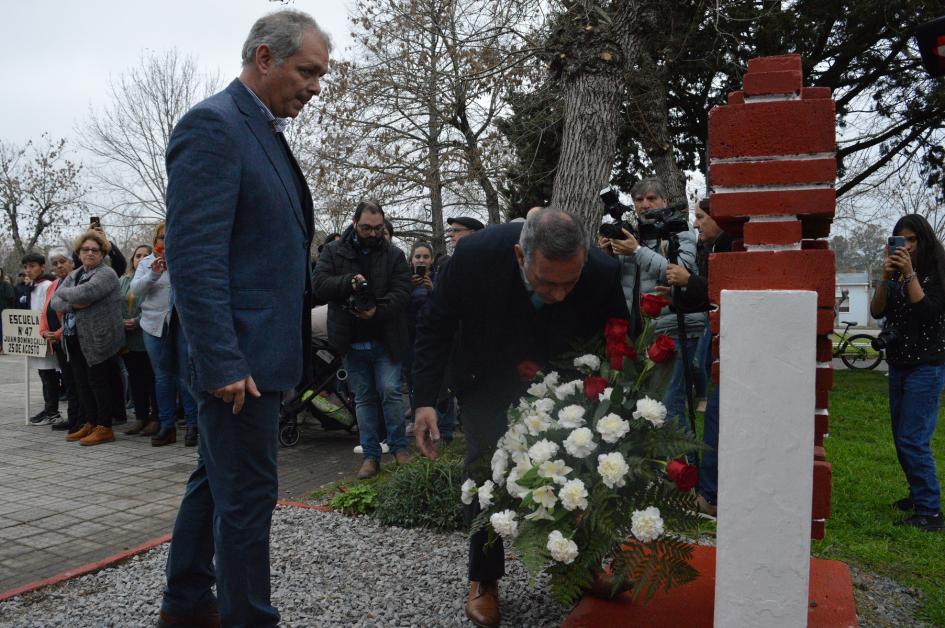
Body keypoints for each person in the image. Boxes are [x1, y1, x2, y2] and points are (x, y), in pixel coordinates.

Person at [159, 10, 328, 627]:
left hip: (261, 354)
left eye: (320, 75)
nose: (315, 87)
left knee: (216, 481)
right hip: (240, 364)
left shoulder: (259, 129)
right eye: (307, 72)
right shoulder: (214, 126)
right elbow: (195, 257)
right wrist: (224, 360)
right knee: (248, 499)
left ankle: (183, 604)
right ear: (264, 58)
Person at [412, 208, 630, 627]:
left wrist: (617, 402)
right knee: (484, 473)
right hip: (486, 376)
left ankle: (580, 567)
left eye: (571, 281)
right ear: (519, 255)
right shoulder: (473, 257)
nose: (561, 294)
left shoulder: (601, 270)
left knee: (578, 469)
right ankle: (484, 579)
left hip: (562, 378)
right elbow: (434, 326)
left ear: (584, 257)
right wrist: (423, 401)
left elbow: (618, 335)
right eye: (547, 282)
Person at [313, 199, 413, 480]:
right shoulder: (333, 251)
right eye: (367, 227)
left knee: (391, 391)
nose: (373, 233)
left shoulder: (394, 255)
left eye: (378, 228)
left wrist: (377, 310)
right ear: (355, 223)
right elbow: (319, 286)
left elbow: (402, 292)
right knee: (364, 398)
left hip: (386, 337)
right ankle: (370, 455)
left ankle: (399, 448)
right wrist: (349, 282)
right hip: (351, 338)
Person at [598, 177, 704, 435]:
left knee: (668, 408)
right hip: (638, 333)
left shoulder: (679, 230)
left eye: (651, 198)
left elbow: (683, 273)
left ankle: (682, 469)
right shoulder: (630, 235)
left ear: (664, 200)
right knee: (642, 409)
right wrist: (606, 255)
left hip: (673, 329)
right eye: (638, 199)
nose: (644, 204)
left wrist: (637, 251)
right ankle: (657, 472)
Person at [869, 214, 945, 532]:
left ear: (923, 241)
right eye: (901, 240)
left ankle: (931, 512)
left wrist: (910, 274)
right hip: (899, 365)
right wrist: (886, 278)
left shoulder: (937, 272)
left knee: (913, 440)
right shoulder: (895, 275)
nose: (906, 246)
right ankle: (917, 496)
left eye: (912, 240)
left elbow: (928, 313)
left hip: (927, 366)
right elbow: (876, 311)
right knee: (902, 439)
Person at [664, 199, 732, 517]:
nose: (697, 224)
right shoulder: (715, 249)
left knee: (715, 416)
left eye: (702, 217)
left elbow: (725, 293)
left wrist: (688, 281)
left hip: (723, 344)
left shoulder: (731, 246)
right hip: (716, 340)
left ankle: (711, 494)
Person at [50, 231, 124, 446]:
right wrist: (75, 302)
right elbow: (55, 301)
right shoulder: (76, 273)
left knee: (98, 382)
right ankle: (90, 422)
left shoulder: (106, 274)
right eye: (85, 249)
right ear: (78, 253)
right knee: (82, 382)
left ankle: (105, 426)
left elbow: (86, 294)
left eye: (95, 250)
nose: (90, 253)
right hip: (74, 337)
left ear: (102, 253)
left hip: (98, 337)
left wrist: (72, 297)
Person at [131, 223, 198, 447]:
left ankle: (193, 425)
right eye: (161, 238)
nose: (165, 242)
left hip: (180, 325)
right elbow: (134, 291)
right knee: (162, 377)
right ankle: (167, 425)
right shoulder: (147, 263)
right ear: (155, 242)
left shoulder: (187, 260)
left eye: (170, 237)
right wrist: (153, 273)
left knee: (184, 375)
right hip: (153, 325)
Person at [403, 241, 456, 443]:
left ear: (431, 260)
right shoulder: (405, 282)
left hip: (436, 340)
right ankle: (421, 426)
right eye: (418, 257)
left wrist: (433, 289)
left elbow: (446, 306)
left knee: (443, 385)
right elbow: (399, 308)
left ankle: (444, 430)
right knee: (414, 383)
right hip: (411, 340)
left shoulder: (440, 279)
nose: (421, 260)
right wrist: (409, 288)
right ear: (411, 260)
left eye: (425, 257)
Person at [39, 248, 82, 432]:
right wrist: (43, 331)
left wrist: (57, 333)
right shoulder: (52, 285)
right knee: (68, 380)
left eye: (62, 261)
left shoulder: (77, 282)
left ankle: (80, 419)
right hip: (58, 343)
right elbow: (44, 311)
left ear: (72, 263)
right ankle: (73, 418)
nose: (59, 266)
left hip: (72, 339)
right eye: (55, 263)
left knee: (77, 381)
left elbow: (74, 314)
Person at [121, 244, 158, 436]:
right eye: (137, 255)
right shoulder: (124, 281)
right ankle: (140, 417)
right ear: (132, 260)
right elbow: (115, 304)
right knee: (136, 381)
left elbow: (155, 304)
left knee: (153, 380)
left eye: (145, 255)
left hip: (148, 335)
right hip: (129, 341)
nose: (141, 259)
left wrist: (137, 321)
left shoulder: (155, 279)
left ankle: (156, 418)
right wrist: (120, 322)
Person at [21, 253, 60, 426]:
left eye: (32, 266)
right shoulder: (32, 286)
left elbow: (50, 311)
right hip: (35, 339)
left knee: (49, 374)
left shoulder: (47, 285)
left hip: (47, 338)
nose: (28, 270)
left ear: (42, 267)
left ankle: (53, 412)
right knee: (43, 374)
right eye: (26, 267)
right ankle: (48, 408)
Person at [0, 269, 15, 353]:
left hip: (3, 311)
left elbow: (11, 297)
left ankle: (4, 347)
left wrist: (8, 308)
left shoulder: (5, 284)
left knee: (3, 330)